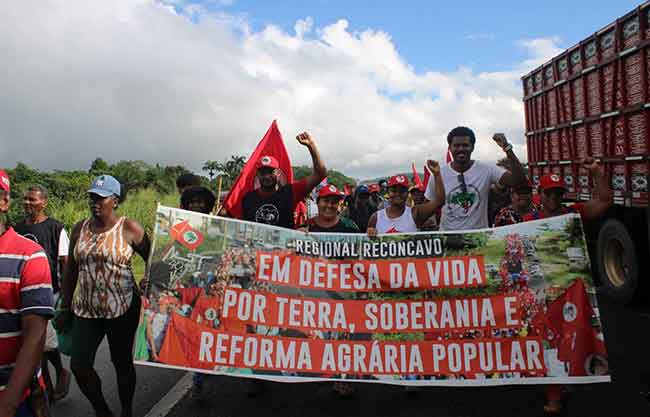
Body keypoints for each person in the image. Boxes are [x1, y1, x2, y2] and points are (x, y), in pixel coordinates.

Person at [513, 159, 612, 414]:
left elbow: (604, 201)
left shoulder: (573, 214)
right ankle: (554, 393)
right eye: (549, 193)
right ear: (540, 194)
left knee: (571, 338)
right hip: (542, 294)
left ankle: (563, 382)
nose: (554, 198)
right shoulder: (528, 220)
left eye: (559, 193)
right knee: (548, 340)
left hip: (571, 292)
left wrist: (597, 173)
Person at [56, 175, 150, 417]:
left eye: (101, 197)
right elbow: (71, 271)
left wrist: (148, 278)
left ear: (115, 201)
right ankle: (102, 411)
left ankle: (127, 411)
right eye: (92, 197)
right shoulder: (79, 229)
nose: (95, 202)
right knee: (79, 365)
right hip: (86, 309)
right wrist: (65, 307)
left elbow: (154, 259)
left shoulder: (130, 228)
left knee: (121, 363)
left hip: (122, 308)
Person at [0, 169, 54, 417]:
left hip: (12, 394)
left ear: (3, 202)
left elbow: (35, 335)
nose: (29, 204)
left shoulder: (29, 255)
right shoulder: (23, 227)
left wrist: (8, 403)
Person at [14, 185, 71, 402]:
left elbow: (65, 262)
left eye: (32, 200)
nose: (28, 203)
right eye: (25, 199)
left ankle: (60, 373)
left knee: (43, 343)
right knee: (35, 346)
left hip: (49, 293)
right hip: (24, 294)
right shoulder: (17, 229)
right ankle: (46, 386)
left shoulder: (55, 228)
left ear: (44, 202)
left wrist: (65, 297)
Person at [424, 127, 526, 231]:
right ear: (449, 148)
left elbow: (518, 180)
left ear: (472, 147)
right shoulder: (438, 174)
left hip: (479, 239)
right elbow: (428, 205)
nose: (461, 149)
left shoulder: (486, 169)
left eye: (465, 145)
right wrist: (429, 221)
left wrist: (507, 148)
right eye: (456, 146)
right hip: (448, 239)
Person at [242, 132, 326, 229]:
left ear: (278, 173)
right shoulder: (248, 199)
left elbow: (320, 173)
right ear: (257, 175)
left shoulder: (290, 192)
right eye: (263, 173)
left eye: (270, 172)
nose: (267, 176)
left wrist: (311, 145)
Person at [367, 161, 445, 235]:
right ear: (388, 192)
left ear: (407, 193)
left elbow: (439, 202)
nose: (397, 194)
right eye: (394, 191)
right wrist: (370, 234)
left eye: (402, 191)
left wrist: (437, 174)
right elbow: (368, 243)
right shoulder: (376, 217)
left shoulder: (415, 213)